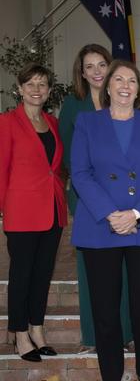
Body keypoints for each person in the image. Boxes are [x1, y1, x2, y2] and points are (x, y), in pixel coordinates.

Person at [71, 60, 140, 381]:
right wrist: (110, 214)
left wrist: (136, 213)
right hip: (101, 227)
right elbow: (80, 172)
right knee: (105, 308)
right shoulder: (87, 122)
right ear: (107, 86)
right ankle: (111, 379)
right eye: (119, 79)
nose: (125, 85)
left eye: (132, 80)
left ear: (139, 88)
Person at [59, 44, 134, 354]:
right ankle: (93, 337)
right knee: (92, 271)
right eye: (89, 66)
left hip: (124, 200)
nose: (97, 71)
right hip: (88, 197)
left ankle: (126, 334)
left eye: (101, 64)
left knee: (125, 269)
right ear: (82, 72)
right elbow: (68, 155)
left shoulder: (123, 98)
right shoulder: (73, 106)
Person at [0, 63, 67, 362]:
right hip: (21, 210)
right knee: (22, 274)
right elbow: (1, 169)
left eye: (42, 84)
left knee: (42, 274)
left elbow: (54, 167)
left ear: (49, 90)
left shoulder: (52, 122)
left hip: (52, 209)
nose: (37, 89)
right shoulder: (7, 122)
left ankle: (37, 329)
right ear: (20, 88)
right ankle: (19, 333)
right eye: (31, 84)